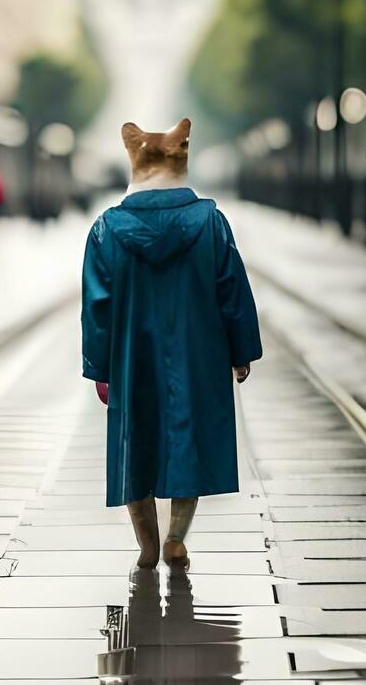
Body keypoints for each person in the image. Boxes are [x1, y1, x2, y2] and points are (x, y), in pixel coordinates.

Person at [81, 118, 262, 570]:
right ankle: (176, 538)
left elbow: (96, 304)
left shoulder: (107, 229)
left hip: (131, 357)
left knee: (133, 440)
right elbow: (232, 289)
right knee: (188, 438)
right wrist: (240, 351)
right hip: (197, 355)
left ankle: (146, 543)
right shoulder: (210, 222)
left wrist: (100, 366)